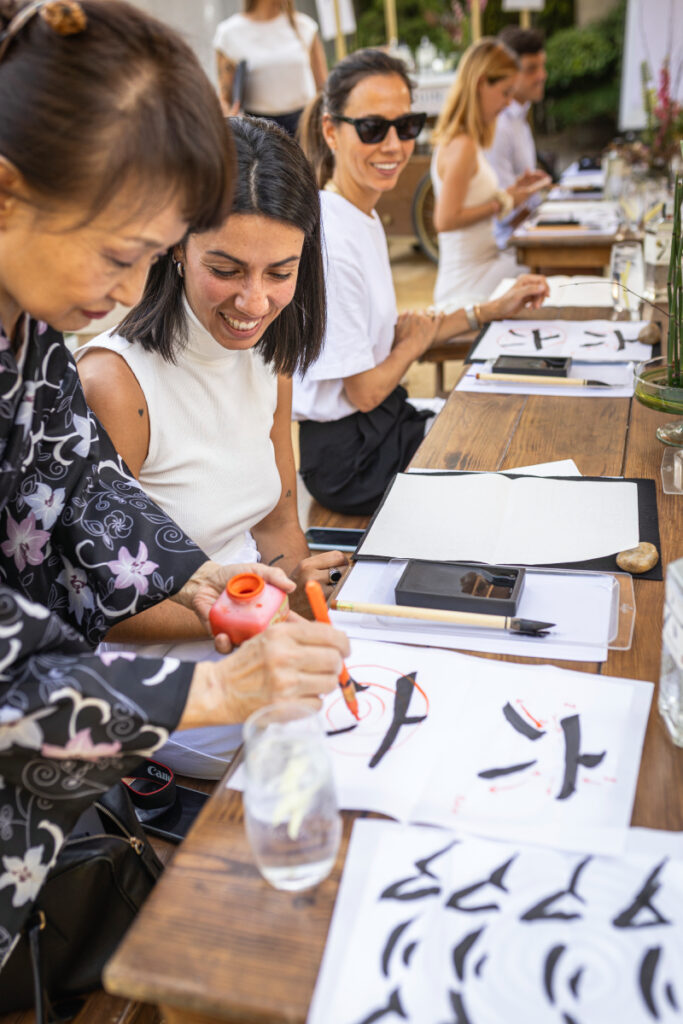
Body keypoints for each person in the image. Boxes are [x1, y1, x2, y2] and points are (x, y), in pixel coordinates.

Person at [0, 0, 347, 977]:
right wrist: (216, 685)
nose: (132, 287)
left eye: (153, 256)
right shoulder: (98, 351)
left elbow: (76, 488)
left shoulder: (28, 332)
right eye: (124, 254)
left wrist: (195, 582)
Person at [77, 117, 348, 777]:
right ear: (176, 247)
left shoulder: (269, 351)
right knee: (336, 760)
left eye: (280, 272)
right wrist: (256, 612)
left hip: (251, 627)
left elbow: (280, 517)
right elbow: (97, 608)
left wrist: (297, 598)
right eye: (225, 269)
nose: (254, 301)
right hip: (163, 681)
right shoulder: (114, 382)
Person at [293, 49, 548, 517]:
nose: (394, 144)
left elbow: (394, 337)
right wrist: (411, 346)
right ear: (331, 131)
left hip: (378, 427)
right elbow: (365, 390)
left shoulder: (358, 216)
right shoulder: (333, 236)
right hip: (353, 461)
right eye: (373, 128)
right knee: (510, 458)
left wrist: (487, 311)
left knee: (513, 426)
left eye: (406, 126)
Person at [430, 38, 549, 308]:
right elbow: (445, 220)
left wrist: (512, 192)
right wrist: (502, 202)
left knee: (543, 274)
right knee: (545, 275)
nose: (508, 103)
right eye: (506, 92)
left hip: (486, 265)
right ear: (482, 82)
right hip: (468, 281)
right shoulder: (463, 146)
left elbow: (470, 201)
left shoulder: (466, 141)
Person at [214, 0, 327, 135]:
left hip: (305, 127)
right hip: (259, 133)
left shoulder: (304, 27)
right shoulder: (229, 34)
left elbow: (323, 90)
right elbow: (225, 99)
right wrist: (232, 119)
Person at [486, 26, 550, 248]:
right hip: (510, 244)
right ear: (510, 72)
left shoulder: (519, 118)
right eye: (532, 69)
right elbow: (503, 215)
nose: (542, 75)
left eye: (542, 66)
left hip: (526, 234)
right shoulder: (500, 125)